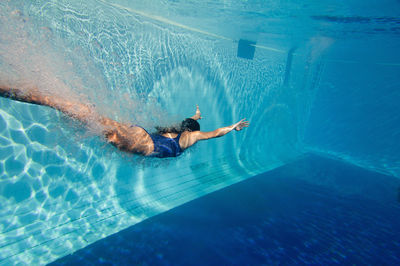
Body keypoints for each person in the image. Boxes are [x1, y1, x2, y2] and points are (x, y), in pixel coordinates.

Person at [0, 86, 249, 158]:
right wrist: (233, 127)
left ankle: (29, 93)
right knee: (85, 117)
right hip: (142, 144)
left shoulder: (180, 132)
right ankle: (39, 97)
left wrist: (194, 117)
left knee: (88, 117)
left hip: (140, 136)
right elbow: (215, 133)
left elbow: (186, 123)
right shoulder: (189, 139)